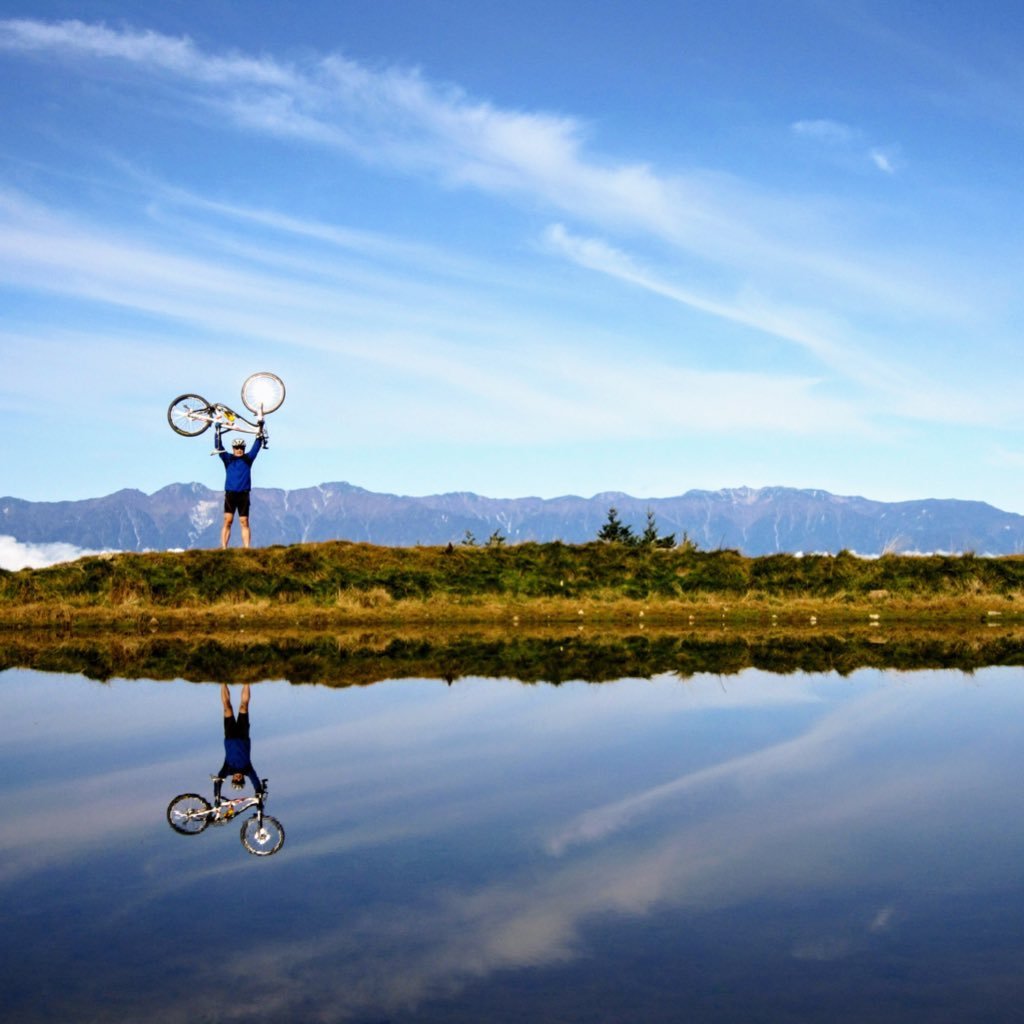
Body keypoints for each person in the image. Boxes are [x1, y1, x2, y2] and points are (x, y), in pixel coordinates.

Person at [215, 424, 263, 548]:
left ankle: (247, 548)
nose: (239, 449)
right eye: (236, 447)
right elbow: (218, 447)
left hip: (244, 494)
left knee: (244, 521)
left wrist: (260, 432)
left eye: (241, 447)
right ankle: (224, 547)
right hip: (230, 494)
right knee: (228, 521)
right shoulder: (228, 459)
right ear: (233, 448)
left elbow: (256, 447)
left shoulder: (248, 458)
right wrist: (217, 432)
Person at [214, 684, 262, 801]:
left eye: (236, 780)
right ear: (243, 778)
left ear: (233, 779)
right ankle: (247, 680)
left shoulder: (228, 769)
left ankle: (223, 681)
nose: (238, 778)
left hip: (230, 737)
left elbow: (219, 780)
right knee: (244, 707)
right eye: (240, 780)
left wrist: (217, 796)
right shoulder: (247, 769)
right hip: (243, 736)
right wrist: (259, 792)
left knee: (227, 708)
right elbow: (255, 780)